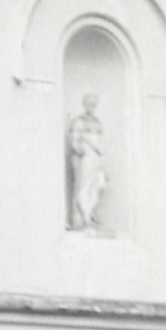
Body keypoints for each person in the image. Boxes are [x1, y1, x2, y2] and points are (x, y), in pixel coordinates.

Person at [67, 94, 107, 231]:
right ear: (84, 104)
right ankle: (84, 217)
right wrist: (81, 151)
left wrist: (100, 158)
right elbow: (74, 140)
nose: (92, 106)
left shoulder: (97, 121)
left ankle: (89, 211)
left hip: (96, 157)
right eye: (90, 103)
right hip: (86, 156)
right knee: (84, 186)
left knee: (100, 184)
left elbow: (100, 141)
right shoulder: (79, 121)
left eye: (94, 104)